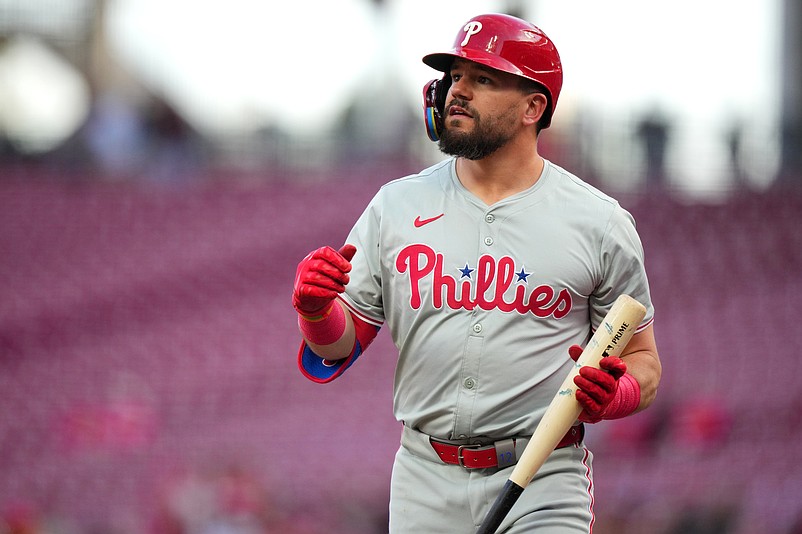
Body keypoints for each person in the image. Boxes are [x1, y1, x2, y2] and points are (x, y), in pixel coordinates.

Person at [291, 13, 661, 534]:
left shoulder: (600, 223)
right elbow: (339, 347)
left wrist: (617, 394)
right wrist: (315, 311)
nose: (457, 91)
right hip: (424, 477)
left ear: (534, 106)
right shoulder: (395, 206)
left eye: (483, 78)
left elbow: (643, 361)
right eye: (455, 76)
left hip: (542, 477)